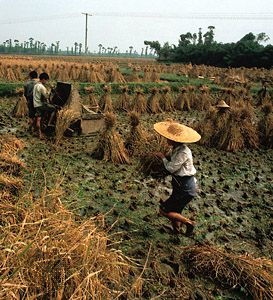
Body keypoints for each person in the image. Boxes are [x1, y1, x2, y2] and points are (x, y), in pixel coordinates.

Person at [153, 120, 201, 236]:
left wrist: (162, 158)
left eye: (168, 138)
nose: (166, 139)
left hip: (185, 187)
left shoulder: (183, 152)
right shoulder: (176, 149)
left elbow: (170, 168)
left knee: (163, 210)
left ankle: (188, 223)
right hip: (181, 185)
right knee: (175, 211)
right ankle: (176, 231)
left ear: (174, 139)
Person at [33, 72, 55, 139]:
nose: (46, 82)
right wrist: (51, 89)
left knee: (38, 119)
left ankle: (39, 134)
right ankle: (49, 123)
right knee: (54, 109)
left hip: (36, 104)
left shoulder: (36, 85)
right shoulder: (42, 87)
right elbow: (46, 96)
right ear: (43, 79)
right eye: (46, 80)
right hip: (41, 105)